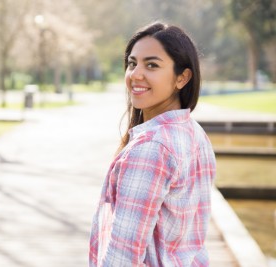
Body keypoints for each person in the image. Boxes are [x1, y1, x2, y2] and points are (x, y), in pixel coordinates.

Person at [89, 22, 216, 266]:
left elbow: (123, 256)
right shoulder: (194, 133)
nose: (136, 74)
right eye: (132, 63)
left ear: (182, 77)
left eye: (152, 65)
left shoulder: (152, 148)